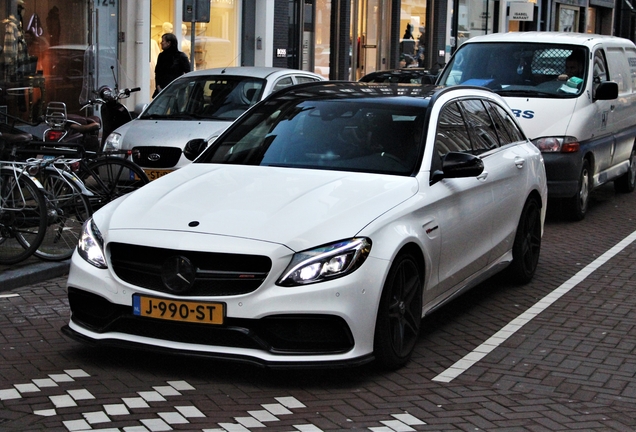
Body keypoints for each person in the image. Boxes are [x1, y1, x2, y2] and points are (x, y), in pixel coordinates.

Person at [153, 32, 190, 98]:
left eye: (163, 41)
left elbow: (188, 73)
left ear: (169, 43)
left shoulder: (181, 56)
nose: (161, 43)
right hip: (162, 90)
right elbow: (157, 72)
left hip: (176, 91)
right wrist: (158, 86)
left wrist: (182, 86)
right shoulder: (161, 56)